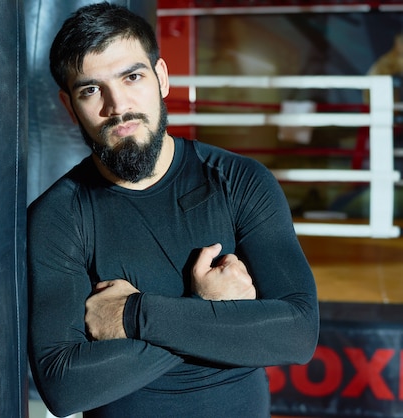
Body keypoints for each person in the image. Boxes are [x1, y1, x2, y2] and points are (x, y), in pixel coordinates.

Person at [28, 3, 319, 417]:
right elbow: (64, 387)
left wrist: (135, 314)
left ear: (161, 77)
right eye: (90, 89)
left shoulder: (238, 181)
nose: (118, 105)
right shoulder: (60, 216)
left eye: (132, 77)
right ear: (68, 104)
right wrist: (211, 312)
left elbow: (297, 334)